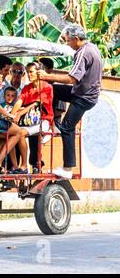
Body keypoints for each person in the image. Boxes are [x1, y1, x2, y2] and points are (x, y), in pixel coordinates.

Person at [37, 24, 102, 179]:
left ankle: (67, 168)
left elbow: (71, 79)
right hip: (81, 92)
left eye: (68, 41)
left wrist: (46, 76)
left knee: (68, 127)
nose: (67, 44)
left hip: (84, 97)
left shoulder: (83, 52)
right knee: (52, 89)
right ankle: (51, 122)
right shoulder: (92, 47)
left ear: (76, 39)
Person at [11, 62, 54, 174]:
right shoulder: (27, 88)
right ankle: (14, 166)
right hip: (28, 120)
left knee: (22, 133)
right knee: (12, 132)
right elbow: (19, 102)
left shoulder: (47, 87)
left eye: (31, 72)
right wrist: (12, 114)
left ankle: (28, 165)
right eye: (28, 72)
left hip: (43, 120)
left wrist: (19, 114)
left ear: (39, 72)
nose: (29, 75)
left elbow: (37, 103)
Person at [39, 57, 66, 132]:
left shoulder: (57, 88)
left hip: (53, 125)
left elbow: (60, 110)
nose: (39, 71)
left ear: (50, 70)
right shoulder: (36, 86)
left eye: (42, 68)